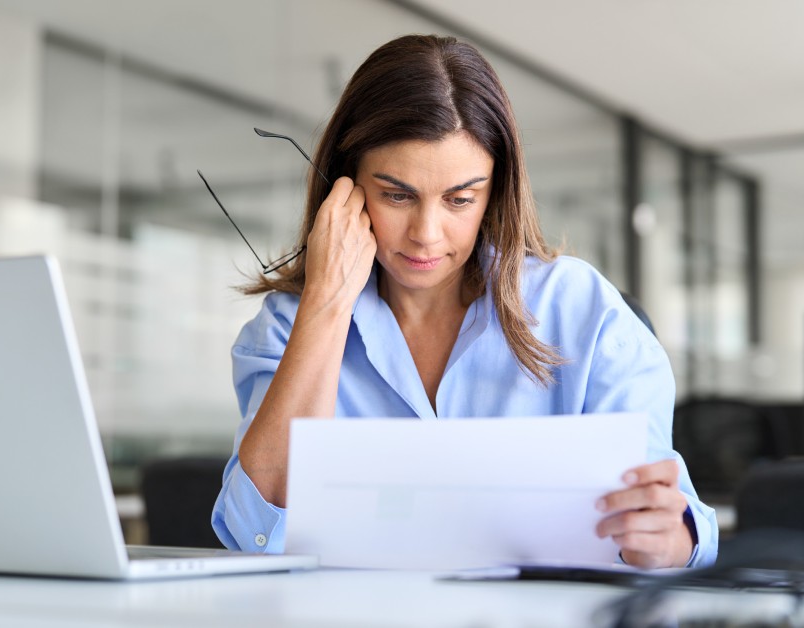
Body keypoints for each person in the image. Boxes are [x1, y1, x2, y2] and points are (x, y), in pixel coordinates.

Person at [211, 34, 717, 569]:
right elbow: (255, 535)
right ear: (346, 189)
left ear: (494, 193)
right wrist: (327, 303)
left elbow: (678, 524)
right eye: (397, 195)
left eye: (460, 199)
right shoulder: (289, 325)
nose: (427, 234)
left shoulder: (582, 310)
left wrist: (670, 537)